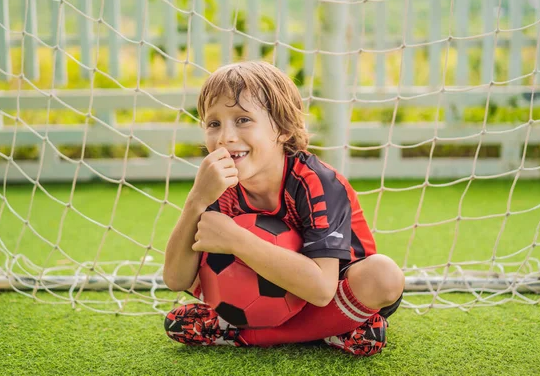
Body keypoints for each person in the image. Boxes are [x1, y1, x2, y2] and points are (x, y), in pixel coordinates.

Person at [163, 61, 405, 356]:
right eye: (214, 123)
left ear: (282, 130)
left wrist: (235, 239)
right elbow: (177, 279)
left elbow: (321, 289)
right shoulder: (218, 185)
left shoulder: (316, 182)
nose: (225, 137)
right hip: (265, 289)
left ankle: (245, 335)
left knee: (384, 275)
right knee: (197, 264)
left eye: (242, 120)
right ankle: (332, 333)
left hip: (336, 293)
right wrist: (196, 200)